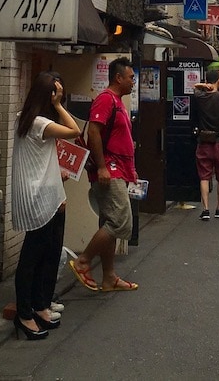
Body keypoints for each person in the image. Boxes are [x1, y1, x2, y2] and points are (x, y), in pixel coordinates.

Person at [11, 71, 81, 340]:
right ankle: (24, 314)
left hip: (40, 194)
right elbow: (75, 131)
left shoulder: (24, 119)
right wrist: (59, 105)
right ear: (48, 95)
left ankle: (37, 308)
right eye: (57, 91)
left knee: (39, 254)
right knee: (33, 257)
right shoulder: (40, 123)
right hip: (40, 198)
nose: (59, 95)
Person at [69, 56, 140, 293]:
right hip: (109, 170)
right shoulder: (105, 100)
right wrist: (101, 167)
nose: (133, 82)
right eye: (131, 77)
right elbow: (94, 133)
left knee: (109, 221)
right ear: (118, 78)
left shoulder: (117, 101)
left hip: (119, 169)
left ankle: (109, 277)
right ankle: (83, 261)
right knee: (121, 222)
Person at [193, 69, 219, 220]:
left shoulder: (200, 96)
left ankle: (205, 209)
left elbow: (195, 87)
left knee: (204, 175)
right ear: (218, 80)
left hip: (204, 141)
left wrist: (204, 86)